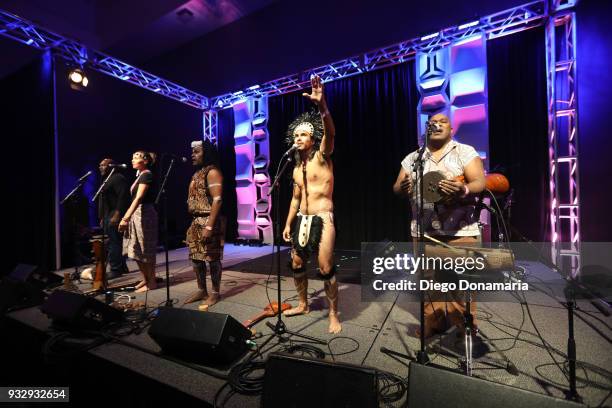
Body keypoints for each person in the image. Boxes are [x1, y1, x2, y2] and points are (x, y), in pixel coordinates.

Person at [393, 112, 486, 338]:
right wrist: (402, 188)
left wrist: (463, 189)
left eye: (443, 121)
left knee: (460, 284)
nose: (436, 124)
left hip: (459, 231)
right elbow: (396, 187)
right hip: (423, 231)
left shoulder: (465, 152)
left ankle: (465, 327)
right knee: (429, 281)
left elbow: (479, 182)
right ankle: (433, 322)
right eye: (432, 122)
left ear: (451, 129)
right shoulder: (413, 158)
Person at [282, 75, 341, 334]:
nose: (298, 137)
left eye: (303, 134)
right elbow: (295, 198)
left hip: (323, 217)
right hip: (302, 219)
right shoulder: (296, 168)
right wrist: (287, 223)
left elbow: (331, 132)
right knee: (296, 263)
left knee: (326, 267)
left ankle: (333, 314)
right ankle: (303, 304)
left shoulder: (322, 157)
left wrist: (322, 106)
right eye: (295, 134)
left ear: (313, 138)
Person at [184, 140, 226, 308]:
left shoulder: (212, 172)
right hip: (195, 221)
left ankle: (215, 293)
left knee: (212, 259)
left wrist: (209, 226)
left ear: (206, 153)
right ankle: (202, 289)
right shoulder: (198, 173)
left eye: (196, 152)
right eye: (192, 151)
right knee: (196, 258)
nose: (192, 155)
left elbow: (217, 199)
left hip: (208, 220)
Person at [118, 151, 159, 293]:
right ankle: (145, 278)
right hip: (137, 213)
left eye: (136, 157)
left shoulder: (147, 175)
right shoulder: (140, 175)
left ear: (145, 161)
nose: (132, 160)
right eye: (132, 156)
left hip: (145, 214)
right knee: (135, 248)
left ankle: (152, 282)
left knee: (145, 249)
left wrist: (125, 217)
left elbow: (139, 198)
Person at [97, 158, 130, 279]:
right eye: (100, 165)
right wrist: (102, 217)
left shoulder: (117, 178)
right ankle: (122, 267)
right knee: (114, 241)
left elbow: (123, 197)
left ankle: (115, 268)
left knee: (114, 243)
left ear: (111, 166)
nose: (100, 167)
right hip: (107, 215)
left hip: (114, 215)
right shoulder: (107, 179)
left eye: (103, 165)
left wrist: (117, 214)